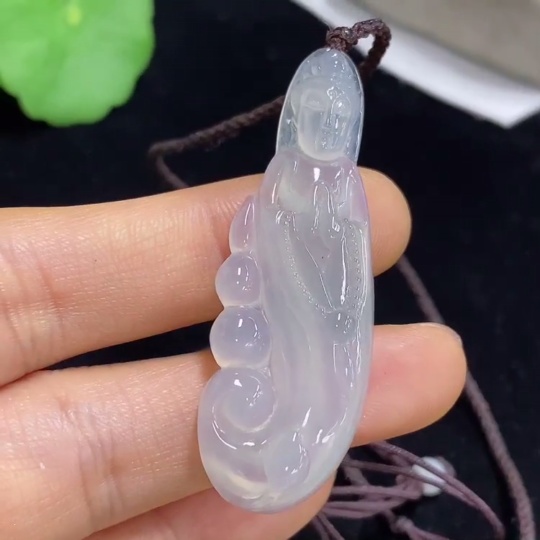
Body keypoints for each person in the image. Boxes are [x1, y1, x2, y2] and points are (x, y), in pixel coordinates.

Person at [0, 168, 466, 540]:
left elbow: (341, 284)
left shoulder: (339, 197)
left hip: (318, 337)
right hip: (293, 324)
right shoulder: (287, 194)